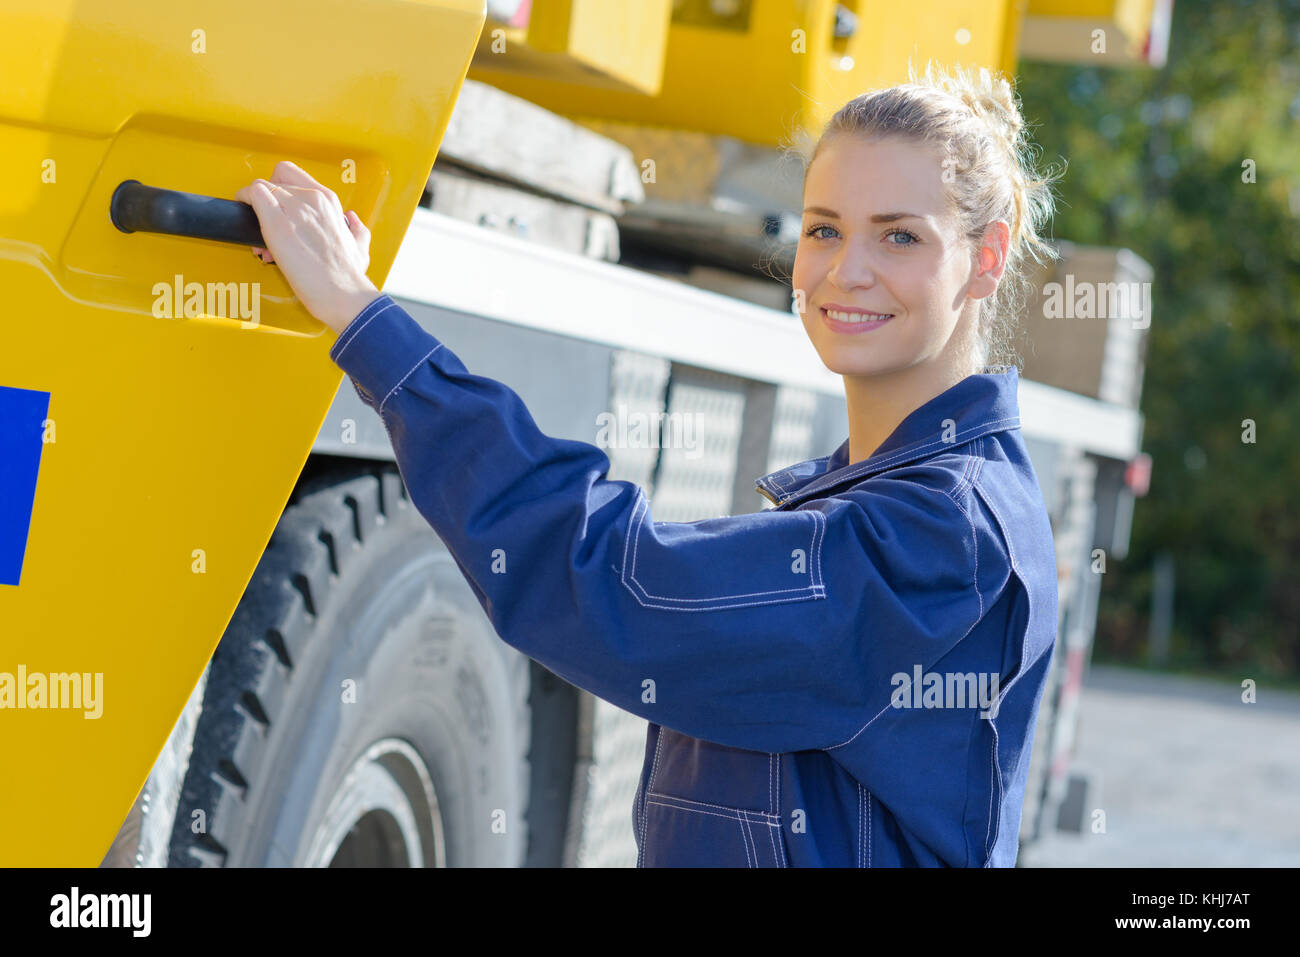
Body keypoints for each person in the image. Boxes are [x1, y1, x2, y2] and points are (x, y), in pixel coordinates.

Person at [235, 60, 1063, 867]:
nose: (847, 269)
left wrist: (367, 323)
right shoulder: (910, 499)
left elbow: (613, 587)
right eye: (824, 229)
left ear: (987, 257)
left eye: (900, 236)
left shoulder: (941, 536)